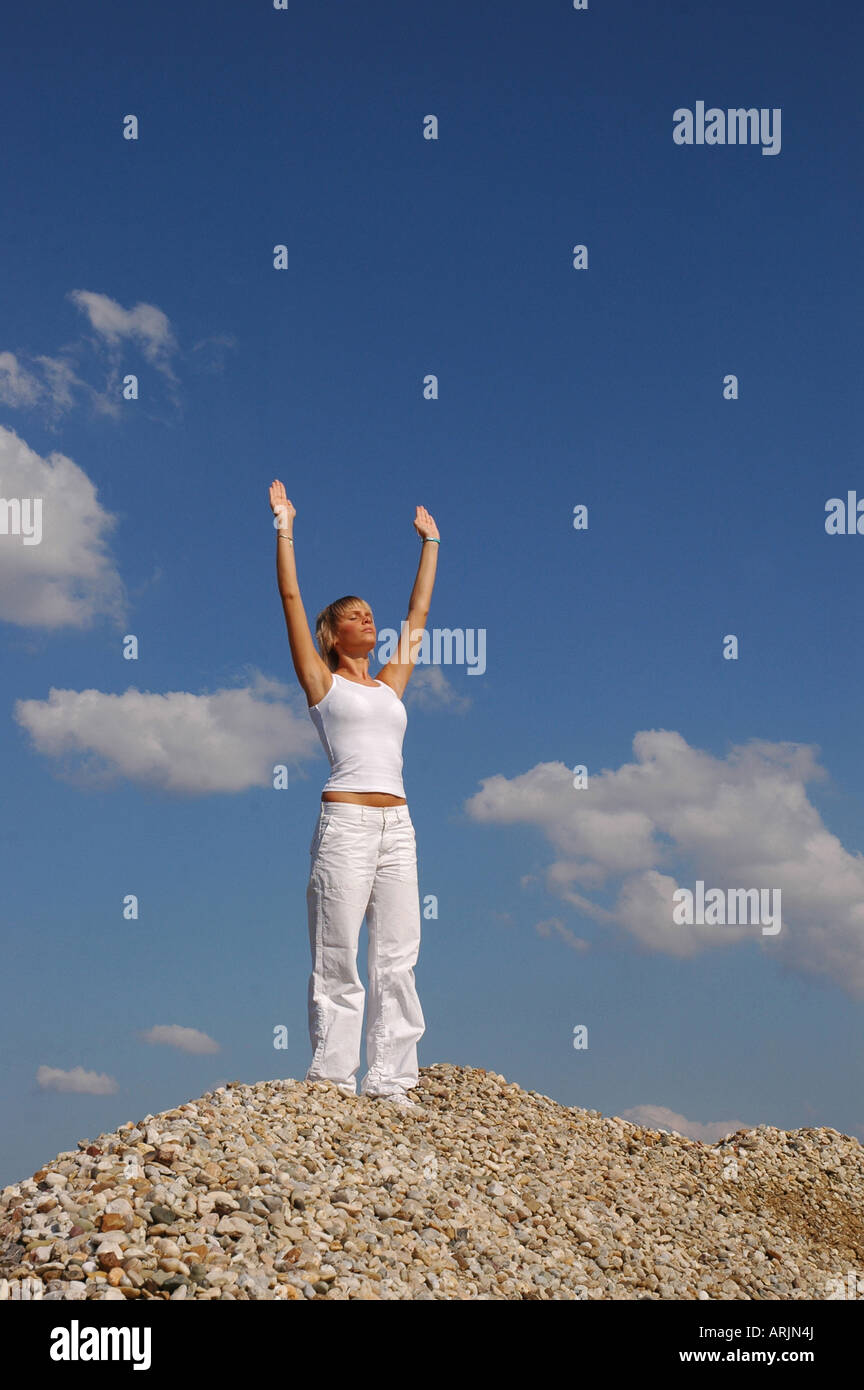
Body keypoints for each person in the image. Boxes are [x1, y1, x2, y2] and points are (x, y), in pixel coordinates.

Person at [269, 479, 440, 1109]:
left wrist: (432, 545)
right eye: (355, 614)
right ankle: (334, 1080)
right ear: (334, 634)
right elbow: (291, 597)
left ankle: (393, 1080)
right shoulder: (322, 684)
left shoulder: (391, 685)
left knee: (398, 954)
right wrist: (285, 527)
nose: (369, 618)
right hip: (344, 822)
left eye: (371, 612)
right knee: (338, 950)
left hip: (399, 827)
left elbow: (417, 617)